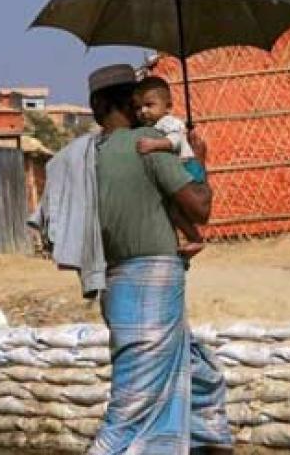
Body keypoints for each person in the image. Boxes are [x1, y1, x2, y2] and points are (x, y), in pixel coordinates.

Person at [84, 64, 233, 455]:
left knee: (199, 375)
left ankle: (209, 443)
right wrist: (198, 159)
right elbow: (198, 207)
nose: (145, 112)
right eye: (141, 105)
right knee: (133, 405)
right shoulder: (147, 142)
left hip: (113, 281)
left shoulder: (81, 157)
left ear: (96, 105)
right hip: (154, 281)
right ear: (131, 105)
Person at [133, 76, 206, 258]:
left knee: (175, 211)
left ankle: (195, 238)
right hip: (182, 169)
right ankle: (189, 239)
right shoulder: (156, 124)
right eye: (138, 107)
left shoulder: (169, 123)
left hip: (188, 168)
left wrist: (154, 145)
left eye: (149, 105)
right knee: (173, 211)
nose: (143, 111)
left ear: (168, 106)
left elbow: (175, 140)